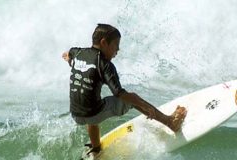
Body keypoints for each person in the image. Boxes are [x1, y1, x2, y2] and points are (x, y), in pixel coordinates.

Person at [62, 24, 187, 154]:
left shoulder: (78, 53)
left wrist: (69, 58)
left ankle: (96, 147)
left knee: (91, 101)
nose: (118, 50)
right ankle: (170, 122)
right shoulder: (105, 65)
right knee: (131, 98)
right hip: (93, 114)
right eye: (116, 45)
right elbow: (119, 93)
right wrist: (144, 105)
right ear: (104, 42)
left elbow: (68, 54)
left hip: (76, 114)